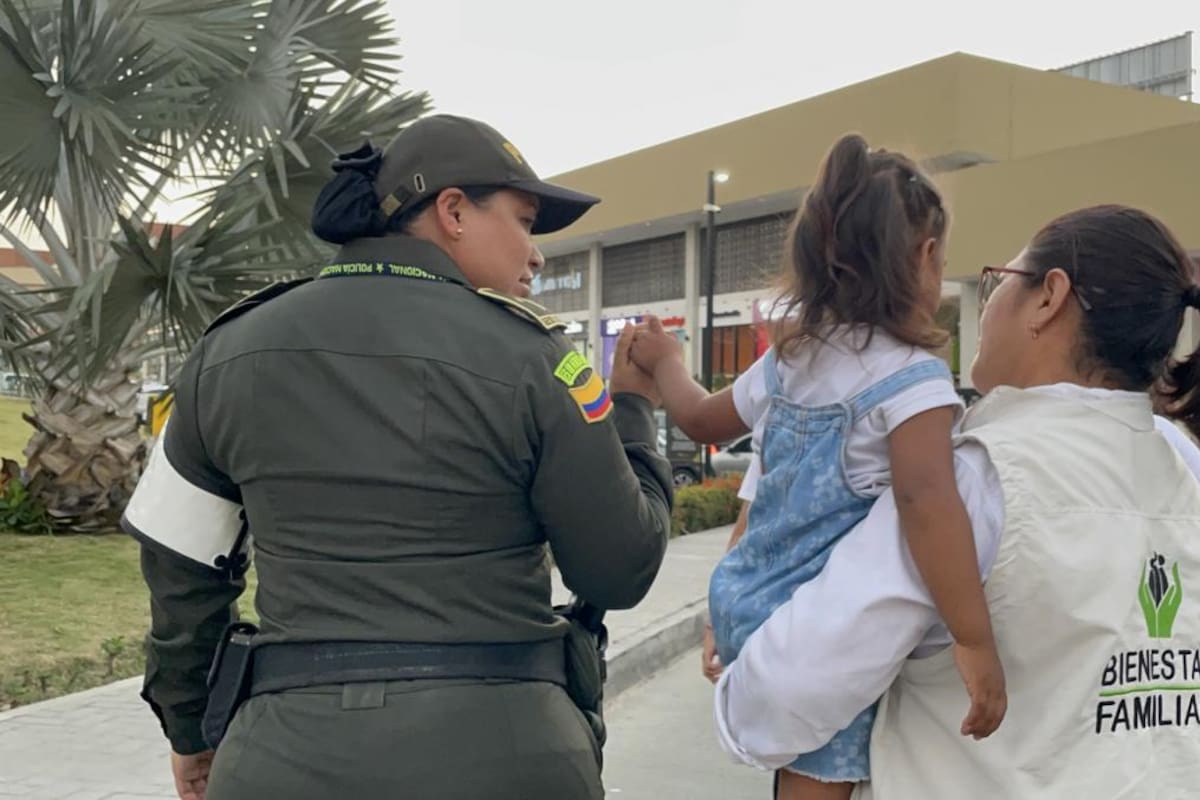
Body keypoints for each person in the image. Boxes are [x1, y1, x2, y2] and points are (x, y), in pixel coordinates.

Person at [121, 114, 673, 800]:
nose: (534, 255)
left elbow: (180, 569)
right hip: (507, 756)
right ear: (452, 211)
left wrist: (189, 732)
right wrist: (634, 412)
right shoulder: (541, 363)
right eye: (524, 221)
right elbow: (619, 569)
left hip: (283, 757)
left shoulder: (228, 353)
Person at [714, 204, 1200, 799]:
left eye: (999, 281)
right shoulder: (1184, 465)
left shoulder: (976, 479)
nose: (985, 301)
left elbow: (796, 685)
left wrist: (736, 696)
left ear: (1049, 297)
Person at [629, 133, 1005, 799]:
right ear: (922, 258)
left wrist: (664, 363)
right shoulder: (912, 380)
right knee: (823, 762)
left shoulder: (792, 357)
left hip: (747, 595)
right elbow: (929, 505)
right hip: (810, 626)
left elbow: (699, 421)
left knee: (801, 758)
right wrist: (974, 640)